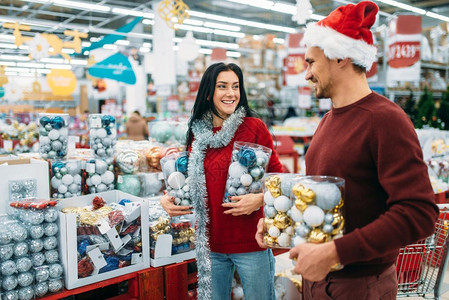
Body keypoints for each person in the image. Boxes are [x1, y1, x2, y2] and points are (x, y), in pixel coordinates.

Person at [255, 1, 439, 299]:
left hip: (359, 285)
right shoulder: (328, 120)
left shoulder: (384, 119)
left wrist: (334, 252)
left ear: (340, 57)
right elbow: (329, 197)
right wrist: (282, 221)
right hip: (318, 280)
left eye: (312, 62)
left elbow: (419, 213)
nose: (307, 73)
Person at [160, 62, 283, 299]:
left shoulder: (253, 127)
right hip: (210, 245)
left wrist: (259, 200)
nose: (231, 93)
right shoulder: (197, 134)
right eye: (223, 86)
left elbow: (279, 177)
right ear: (208, 92)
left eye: (236, 87)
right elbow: (185, 182)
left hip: (250, 242)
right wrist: (167, 199)